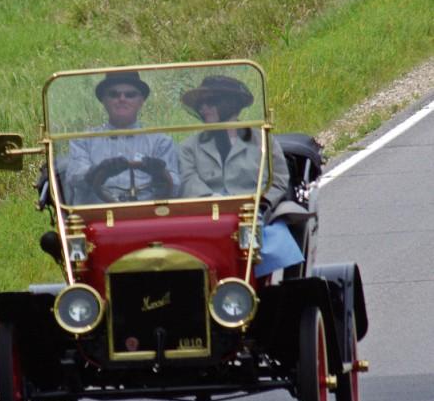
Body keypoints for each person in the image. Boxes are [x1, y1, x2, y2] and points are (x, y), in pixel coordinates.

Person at [179, 75, 304, 276]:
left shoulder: (262, 140)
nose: (204, 109)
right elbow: (187, 180)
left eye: (211, 102)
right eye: (201, 104)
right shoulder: (189, 147)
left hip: (255, 214)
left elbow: (278, 179)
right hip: (208, 218)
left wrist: (261, 203)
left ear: (230, 104)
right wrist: (211, 200)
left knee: (279, 242)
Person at [65, 71, 180, 204]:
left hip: (146, 213)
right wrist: (96, 171)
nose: (122, 99)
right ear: (103, 100)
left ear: (141, 101)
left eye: (130, 95)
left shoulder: (161, 141)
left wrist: (159, 174)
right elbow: (74, 178)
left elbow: (175, 186)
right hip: (98, 213)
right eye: (114, 94)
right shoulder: (83, 140)